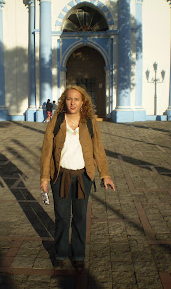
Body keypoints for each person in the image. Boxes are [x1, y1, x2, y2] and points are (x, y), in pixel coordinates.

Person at [40, 85, 115, 270]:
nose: (72, 102)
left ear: (83, 102)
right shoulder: (57, 120)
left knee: (80, 217)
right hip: (60, 176)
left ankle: (79, 255)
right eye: (69, 99)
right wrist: (44, 177)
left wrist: (105, 174)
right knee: (62, 217)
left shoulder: (89, 121)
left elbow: (98, 148)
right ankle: (60, 254)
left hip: (84, 177)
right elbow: (47, 150)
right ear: (64, 101)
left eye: (76, 99)